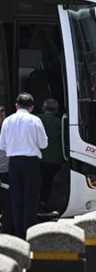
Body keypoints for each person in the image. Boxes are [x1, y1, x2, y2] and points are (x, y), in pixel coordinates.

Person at [0, 93, 48, 239]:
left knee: (16, 199)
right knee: (31, 199)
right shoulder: (35, 120)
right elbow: (43, 144)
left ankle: (18, 234)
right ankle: (29, 233)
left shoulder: (7, 121)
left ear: (16, 106)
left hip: (13, 162)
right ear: (31, 107)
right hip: (31, 162)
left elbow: (2, 145)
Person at [37, 99, 63, 210]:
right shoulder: (60, 122)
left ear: (43, 108)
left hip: (39, 158)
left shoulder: (37, 119)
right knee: (48, 180)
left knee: (37, 180)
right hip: (55, 160)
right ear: (57, 110)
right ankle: (43, 201)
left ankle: (36, 201)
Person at [0, 106, 13, 235]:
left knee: (7, 204)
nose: (3, 119)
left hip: (6, 172)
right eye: (1, 116)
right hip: (2, 173)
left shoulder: (7, 129)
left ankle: (7, 229)